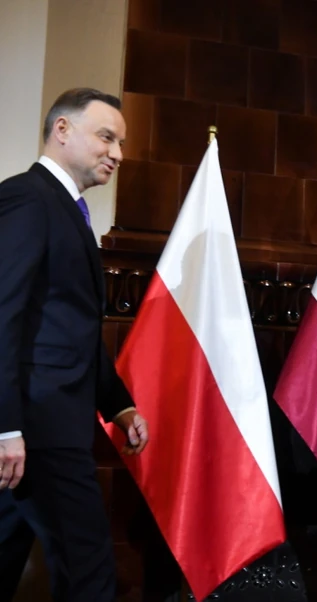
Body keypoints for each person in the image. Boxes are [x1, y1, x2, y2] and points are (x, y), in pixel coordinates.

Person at [0, 88, 150, 602]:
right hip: (35, 431)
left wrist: (119, 405)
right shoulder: (28, 198)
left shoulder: (66, 209)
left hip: (38, 430)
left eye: (121, 143)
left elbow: (69, 326)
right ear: (62, 130)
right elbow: (3, 315)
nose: (118, 153)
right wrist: (6, 428)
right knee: (89, 575)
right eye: (107, 137)